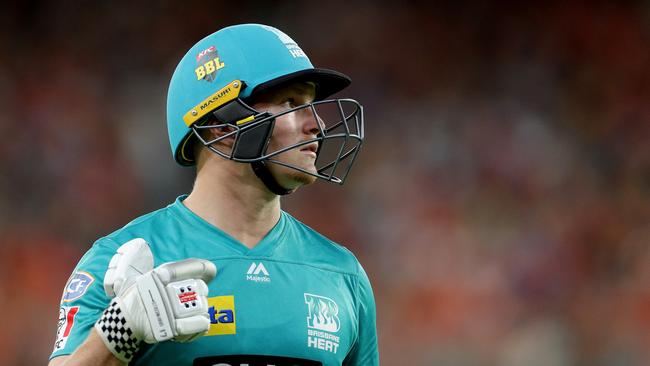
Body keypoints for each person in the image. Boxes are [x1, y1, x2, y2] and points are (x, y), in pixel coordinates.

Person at [48, 23, 378, 366]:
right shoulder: (123, 260)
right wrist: (119, 330)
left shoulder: (343, 274)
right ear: (223, 126)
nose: (318, 125)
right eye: (291, 103)